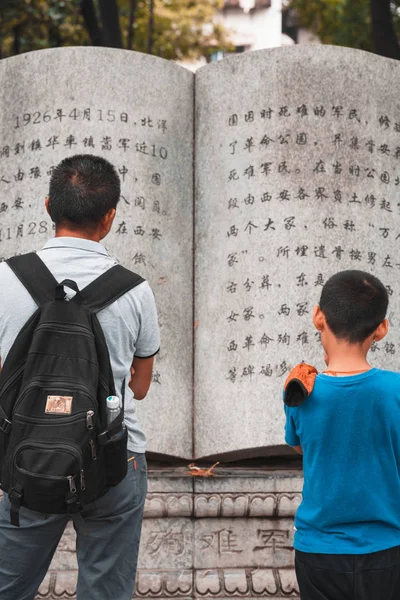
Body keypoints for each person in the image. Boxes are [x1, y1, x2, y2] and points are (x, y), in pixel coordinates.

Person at [0, 154, 160, 600]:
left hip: (28, 457)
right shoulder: (135, 290)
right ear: (109, 217)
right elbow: (141, 388)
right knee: (106, 589)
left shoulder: (5, 279)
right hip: (114, 458)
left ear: (49, 205)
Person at [284, 270, 400, 600]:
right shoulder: (396, 390)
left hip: (319, 551)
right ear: (381, 328)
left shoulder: (300, 389)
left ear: (318, 316)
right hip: (387, 549)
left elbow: (304, 449)